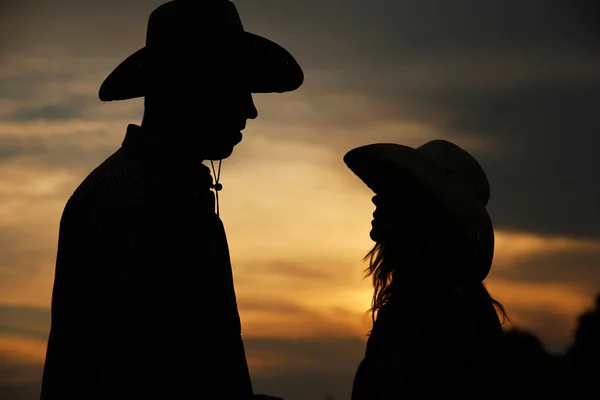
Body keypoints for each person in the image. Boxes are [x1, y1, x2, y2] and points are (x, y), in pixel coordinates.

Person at [40, 1, 303, 399]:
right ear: (193, 87)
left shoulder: (157, 192)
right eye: (237, 86)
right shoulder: (132, 203)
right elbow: (146, 378)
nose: (250, 109)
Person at [343, 140, 509, 399]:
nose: (376, 196)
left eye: (396, 189)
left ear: (425, 210)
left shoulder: (453, 312)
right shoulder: (418, 302)